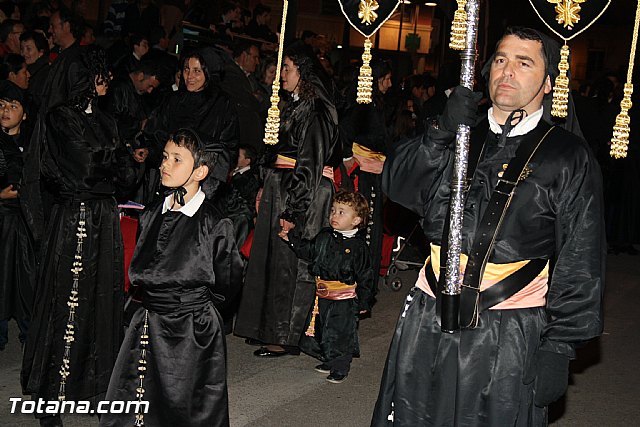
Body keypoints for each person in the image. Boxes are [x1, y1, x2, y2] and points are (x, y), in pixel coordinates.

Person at [372, 26, 605, 426]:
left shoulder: (569, 157)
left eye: (524, 62)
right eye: (500, 59)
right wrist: (441, 131)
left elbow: (580, 258)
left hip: (507, 331)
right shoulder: (459, 135)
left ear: (549, 83)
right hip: (429, 316)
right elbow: (398, 187)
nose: (507, 71)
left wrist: (561, 345)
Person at [21, 46, 136, 427]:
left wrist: (107, 163)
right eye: (101, 74)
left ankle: (92, 385)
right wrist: (110, 161)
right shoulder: (60, 118)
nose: (108, 81)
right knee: (67, 303)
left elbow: (125, 175)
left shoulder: (105, 121)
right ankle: (49, 396)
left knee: (101, 300)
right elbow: (85, 170)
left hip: (103, 218)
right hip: (76, 220)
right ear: (85, 78)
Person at [101, 129, 243, 427]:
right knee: (134, 404)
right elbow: (142, 268)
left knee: (186, 408)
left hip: (192, 329)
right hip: (148, 322)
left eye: (177, 159)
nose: (165, 164)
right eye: (165, 157)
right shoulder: (151, 213)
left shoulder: (215, 223)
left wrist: (196, 307)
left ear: (200, 171)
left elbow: (228, 280)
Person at [234, 45, 341, 357]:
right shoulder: (293, 106)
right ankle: (266, 326)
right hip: (281, 186)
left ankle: (286, 335)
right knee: (271, 260)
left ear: (303, 74)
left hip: (301, 191)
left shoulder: (317, 112)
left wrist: (295, 209)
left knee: (291, 265)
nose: (281, 75)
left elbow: (308, 163)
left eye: (288, 68)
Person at [281, 190, 374, 383]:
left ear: (356, 220)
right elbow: (309, 250)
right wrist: (291, 240)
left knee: (340, 333)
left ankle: (340, 365)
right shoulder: (324, 236)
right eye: (333, 210)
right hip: (323, 295)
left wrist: (364, 300)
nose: (334, 215)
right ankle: (328, 358)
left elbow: (366, 275)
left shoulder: (358, 247)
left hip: (344, 298)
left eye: (342, 212)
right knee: (321, 328)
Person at [138, 46, 238, 205]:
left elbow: (227, 148)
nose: (190, 76)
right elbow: (156, 133)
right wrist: (149, 151)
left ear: (208, 72)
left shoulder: (222, 104)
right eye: (186, 69)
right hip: (167, 177)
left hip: (202, 183)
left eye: (197, 71)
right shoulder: (173, 100)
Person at [341, 58, 393, 290]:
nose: (390, 84)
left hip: (375, 170)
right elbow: (344, 131)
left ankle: (366, 284)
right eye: (387, 79)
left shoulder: (377, 104)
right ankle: (357, 283)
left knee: (372, 226)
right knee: (362, 225)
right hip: (362, 173)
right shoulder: (361, 102)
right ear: (378, 79)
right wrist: (348, 158)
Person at [0, 80, 35, 352]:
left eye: (13, 106)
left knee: (26, 278)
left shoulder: (34, 143)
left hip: (25, 222)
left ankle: (29, 333)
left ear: (24, 113)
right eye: (1, 105)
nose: (5, 111)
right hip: (2, 217)